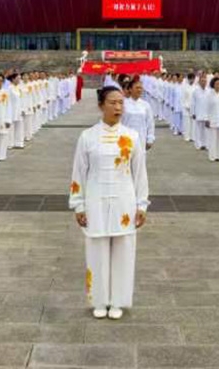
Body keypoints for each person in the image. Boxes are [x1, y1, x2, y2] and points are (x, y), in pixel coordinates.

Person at [69, 86, 149, 320]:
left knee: (124, 251)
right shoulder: (87, 137)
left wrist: (142, 204)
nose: (118, 107)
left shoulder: (132, 137)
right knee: (97, 251)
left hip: (125, 201)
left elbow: (140, 173)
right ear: (101, 105)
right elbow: (79, 173)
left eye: (121, 103)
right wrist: (78, 204)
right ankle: (100, 300)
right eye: (113, 102)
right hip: (95, 200)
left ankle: (118, 301)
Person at [121, 79, 155, 153]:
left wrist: (150, 138)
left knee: (140, 162)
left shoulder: (146, 105)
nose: (139, 90)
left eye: (141, 88)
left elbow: (150, 123)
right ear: (130, 89)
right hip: (126, 138)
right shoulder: (123, 104)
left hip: (141, 138)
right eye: (137, 88)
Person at [204, 77, 219, 162]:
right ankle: (213, 156)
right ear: (213, 84)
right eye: (216, 84)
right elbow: (206, 107)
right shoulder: (209, 95)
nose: (218, 85)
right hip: (212, 118)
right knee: (213, 138)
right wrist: (207, 119)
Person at [190, 76, 209, 150]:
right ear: (199, 82)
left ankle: (206, 144)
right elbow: (193, 103)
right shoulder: (196, 91)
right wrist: (193, 113)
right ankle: (199, 144)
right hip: (198, 112)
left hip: (207, 113)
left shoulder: (209, 91)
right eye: (202, 81)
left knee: (206, 131)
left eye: (205, 81)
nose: (203, 83)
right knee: (198, 130)